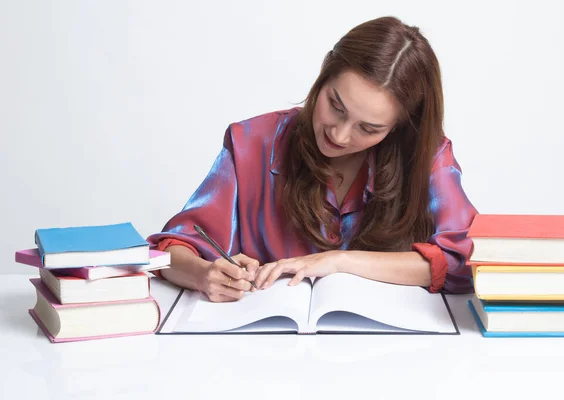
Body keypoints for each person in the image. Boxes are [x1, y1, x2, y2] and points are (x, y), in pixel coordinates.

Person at [147, 16, 478, 302]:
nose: (340, 135)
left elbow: (467, 261)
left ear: (398, 126)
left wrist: (339, 262)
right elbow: (173, 249)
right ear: (324, 73)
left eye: (368, 128)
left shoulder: (428, 156)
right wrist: (204, 274)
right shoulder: (252, 142)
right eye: (335, 106)